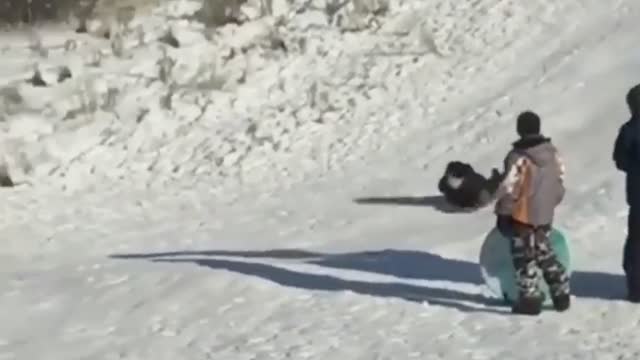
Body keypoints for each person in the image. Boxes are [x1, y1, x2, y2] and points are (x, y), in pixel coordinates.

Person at [494, 110, 569, 315]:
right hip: (544, 213)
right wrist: (550, 204)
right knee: (544, 251)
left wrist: (503, 212)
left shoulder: (518, 157)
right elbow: (559, 182)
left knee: (524, 256)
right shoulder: (553, 154)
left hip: (522, 214)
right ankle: (560, 292)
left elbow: (510, 188)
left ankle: (530, 300)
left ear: (520, 130)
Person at [613, 84, 640, 302]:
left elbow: (620, 160)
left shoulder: (629, 130)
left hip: (638, 195)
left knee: (637, 243)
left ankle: (636, 288)